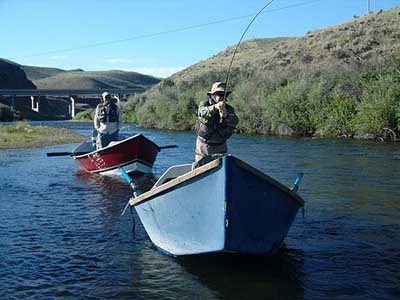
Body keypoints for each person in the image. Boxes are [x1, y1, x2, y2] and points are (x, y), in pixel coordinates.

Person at [194, 82, 239, 162]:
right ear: (212, 95)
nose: (223, 97)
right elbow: (202, 112)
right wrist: (215, 107)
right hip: (203, 146)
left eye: (225, 95)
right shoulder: (204, 104)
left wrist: (226, 115)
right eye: (220, 94)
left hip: (221, 145)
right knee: (201, 168)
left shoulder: (229, 109)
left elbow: (235, 120)